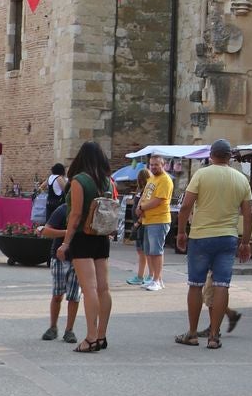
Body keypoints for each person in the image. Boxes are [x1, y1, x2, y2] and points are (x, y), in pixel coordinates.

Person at [174, 140, 252, 350]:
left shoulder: (201, 175)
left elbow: (185, 207)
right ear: (230, 157)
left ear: (211, 155)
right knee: (222, 285)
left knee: (196, 285)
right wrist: (245, 242)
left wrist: (181, 232)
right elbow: (248, 213)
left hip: (201, 236)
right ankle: (214, 336)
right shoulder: (241, 179)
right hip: (228, 237)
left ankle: (192, 333)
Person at [56, 141, 115, 354]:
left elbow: (75, 215)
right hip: (101, 236)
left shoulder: (79, 181)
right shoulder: (108, 181)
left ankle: (90, 338)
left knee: (88, 289)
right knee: (103, 288)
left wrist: (65, 243)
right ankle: (101, 335)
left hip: (83, 236)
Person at [129, 153, 173, 292]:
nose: (153, 167)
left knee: (156, 251)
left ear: (163, 165)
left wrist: (141, 207)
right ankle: (154, 278)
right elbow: (145, 194)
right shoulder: (152, 178)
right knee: (149, 252)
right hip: (148, 220)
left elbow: (158, 200)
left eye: (156, 164)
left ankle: (157, 280)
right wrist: (138, 207)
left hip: (159, 220)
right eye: (151, 164)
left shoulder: (165, 180)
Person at [39, 199, 80, 342]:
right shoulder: (63, 209)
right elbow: (46, 231)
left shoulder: (87, 211)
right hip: (59, 258)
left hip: (80, 258)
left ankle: (69, 330)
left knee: (74, 296)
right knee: (57, 295)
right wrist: (68, 233)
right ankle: (53, 327)